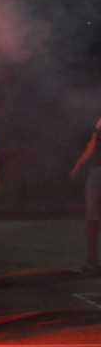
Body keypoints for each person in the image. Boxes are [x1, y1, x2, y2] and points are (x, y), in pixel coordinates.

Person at [70, 116, 101, 274]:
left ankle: (91, 261)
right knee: (92, 218)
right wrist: (79, 164)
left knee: (92, 218)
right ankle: (91, 261)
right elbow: (92, 144)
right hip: (97, 171)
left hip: (97, 172)